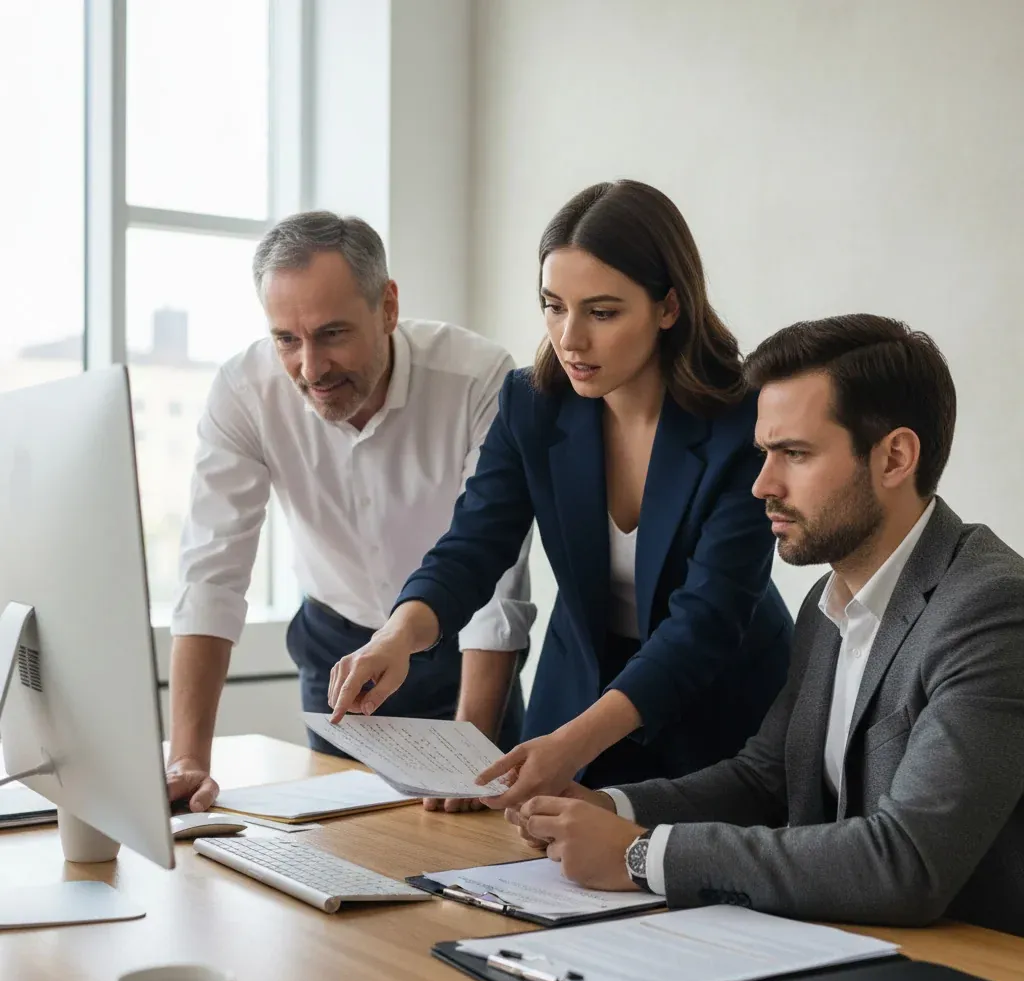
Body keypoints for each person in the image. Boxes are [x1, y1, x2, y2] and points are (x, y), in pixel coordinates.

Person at [507, 314, 1024, 937]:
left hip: (971, 973)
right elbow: (767, 778)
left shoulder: (993, 609)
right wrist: (608, 807)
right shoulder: (827, 602)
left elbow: (907, 863)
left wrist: (641, 855)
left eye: (795, 455)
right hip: (845, 948)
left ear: (895, 457)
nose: (762, 485)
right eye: (764, 453)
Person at [327, 180, 793, 802]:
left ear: (669, 307)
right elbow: (473, 544)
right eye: (553, 305)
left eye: (602, 312)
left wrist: (575, 743)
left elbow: (705, 620)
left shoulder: (744, 422)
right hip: (576, 690)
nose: (569, 337)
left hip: (717, 712)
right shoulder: (533, 403)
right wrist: (398, 636)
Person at [165, 212, 534, 814]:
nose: (311, 369)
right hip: (335, 654)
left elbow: (496, 587)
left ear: (387, 307)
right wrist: (187, 760)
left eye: (333, 334)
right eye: (287, 339)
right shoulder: (243, 390)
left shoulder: (479, 378)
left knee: (474, 864)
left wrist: (472, 760)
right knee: (341, 849)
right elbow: (212, 574)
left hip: (460, 659)